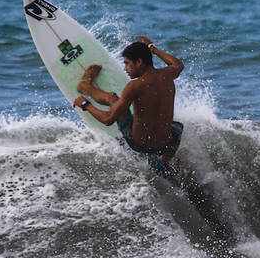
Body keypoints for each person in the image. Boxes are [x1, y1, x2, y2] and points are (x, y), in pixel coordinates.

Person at [73, 35, 184, 173]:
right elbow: (178, 64)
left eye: (126, 63)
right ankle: (165, 162)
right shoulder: (167, 74)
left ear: (138, 62)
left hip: (138, 144)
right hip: (165, 144)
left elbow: (108, 119)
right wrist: (152, 48)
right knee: (178, 127)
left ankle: (85, 87)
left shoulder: (135, 86)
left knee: (112, 99)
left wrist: (85, 104)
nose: (125, 68)